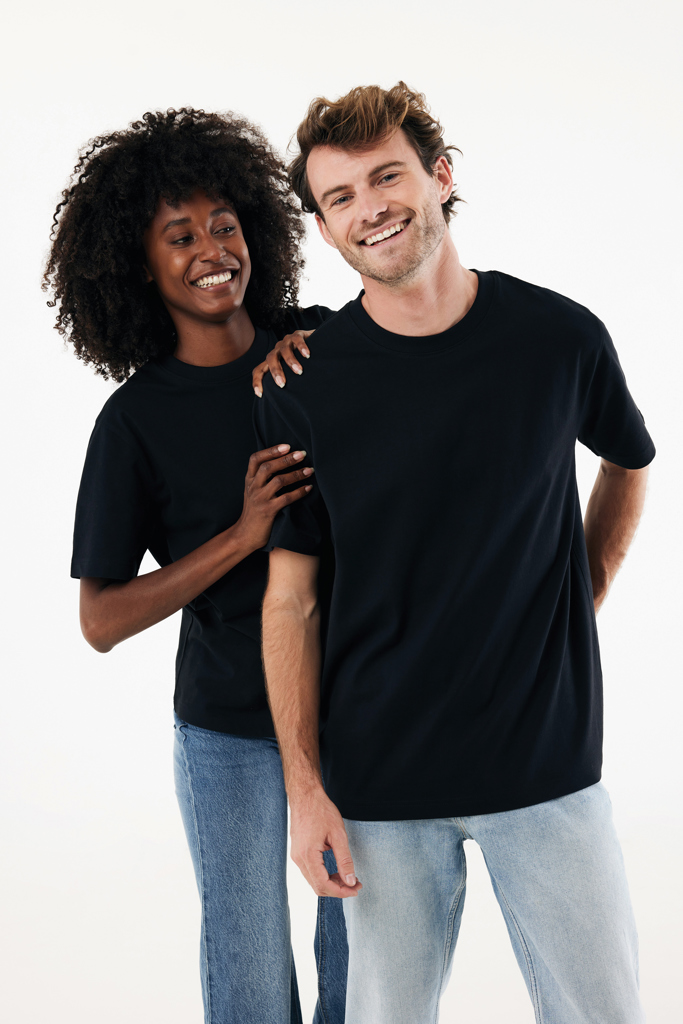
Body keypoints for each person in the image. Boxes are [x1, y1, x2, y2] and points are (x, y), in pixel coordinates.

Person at [255, 82, 655, 1024]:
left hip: (545, 765)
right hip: (379, 783)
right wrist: (305, 791)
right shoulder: (303, 385)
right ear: (324, 228)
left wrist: (588, 581)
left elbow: (628, 458)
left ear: (438, 177)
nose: (369, 208)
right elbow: (290, 600)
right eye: (339, 197)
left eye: (386, 177)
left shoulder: (557, 338)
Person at [43, 107, 347, 1024]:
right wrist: (241, 536)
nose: (212, 250)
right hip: (228, 730)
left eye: (224, 225)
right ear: (140, 264)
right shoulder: (134, 422)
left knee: (366, 970)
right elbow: (100, 620)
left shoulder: (321, 346)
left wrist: (317, 350)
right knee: (248, 979)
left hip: (357, 708)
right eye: (180, 236)